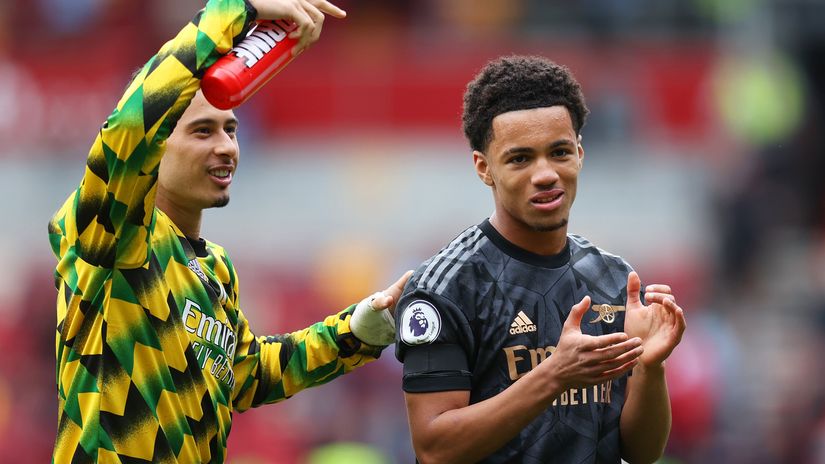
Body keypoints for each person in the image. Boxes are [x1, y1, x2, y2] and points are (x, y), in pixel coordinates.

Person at [47, 0, 410, 462]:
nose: (226, 147)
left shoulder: (213, 267)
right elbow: (128, 128)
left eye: (230, 129)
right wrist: (237, 9)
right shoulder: (110, 233)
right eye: (202, 132)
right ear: (154, 147)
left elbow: (246, 375)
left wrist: (355, 332)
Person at [394, 55, 687, 464]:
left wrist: (649, 370)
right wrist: (554, 373)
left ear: (580, 154)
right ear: (484, 168)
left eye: (559, 152)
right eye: (520, 158)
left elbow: (642, 452)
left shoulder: (614, 279)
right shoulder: (445, 289)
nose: (546, 173)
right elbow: (435, 448)